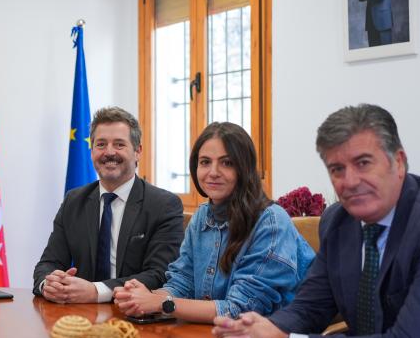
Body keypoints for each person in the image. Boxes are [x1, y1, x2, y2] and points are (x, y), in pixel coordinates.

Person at [213, 104, 420, 338]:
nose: (349, 182)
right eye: (337, 169)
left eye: (363, 163)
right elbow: (308, 309)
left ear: (398, 162)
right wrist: (254, 333)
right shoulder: (337, 221)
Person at [114, 122, 314, 322]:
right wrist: (141, 297)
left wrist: (161, 303)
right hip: (213, 336)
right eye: (205, 162)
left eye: (227, 163)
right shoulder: (201, 216)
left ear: (245, 168)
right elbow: (183, 283)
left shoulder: (270, 222)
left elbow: (240, 310)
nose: (213, 172)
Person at [32, 106, 183, 304]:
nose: (109, 152)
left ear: (138, 151)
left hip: (136, 318)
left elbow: (160, 275)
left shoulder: (164, 205)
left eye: (119, 144)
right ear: (92, 150)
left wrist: (97, 291)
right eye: (101, 144)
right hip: (81, 318)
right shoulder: (73, 201)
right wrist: (49, 284)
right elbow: (48, 264)